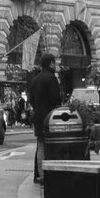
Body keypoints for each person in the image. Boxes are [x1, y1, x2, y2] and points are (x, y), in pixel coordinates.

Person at [27, 53, 63, 186]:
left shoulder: (35, 79)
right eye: (55, 63)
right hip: (50, 116)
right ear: (51, 64)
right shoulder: (52, 79)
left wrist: (37, 108)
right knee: (50, 146)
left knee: (40, 145)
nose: (56, 65)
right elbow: (55, 99)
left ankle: (40, 174)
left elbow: (31, 99)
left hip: (38, 116)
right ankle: (47, 175)